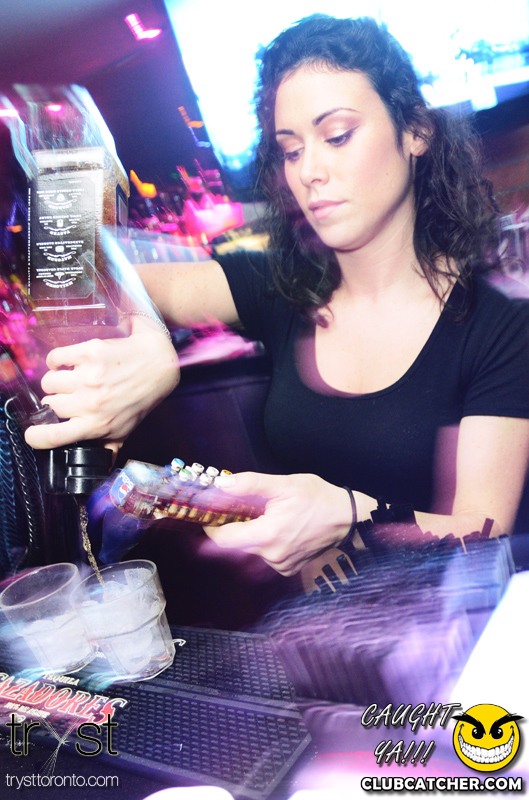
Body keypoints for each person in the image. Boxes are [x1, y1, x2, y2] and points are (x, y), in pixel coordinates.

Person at [24, 15, 529, 578]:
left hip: (461, 624)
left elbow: (484, 533)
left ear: (415, 131)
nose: (308, 170)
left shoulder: (497, 325)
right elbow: (88, 271)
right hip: (327, 625)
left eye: (337, 136)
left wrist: (351, 515)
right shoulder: (283, 287)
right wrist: (151, 338)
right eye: (290, 151)